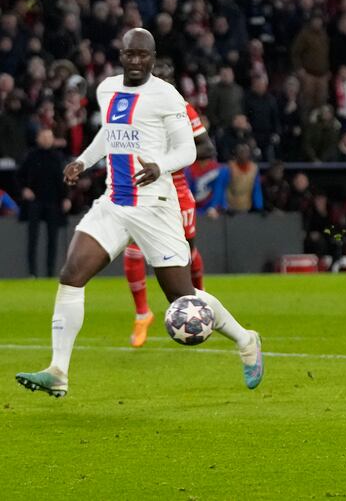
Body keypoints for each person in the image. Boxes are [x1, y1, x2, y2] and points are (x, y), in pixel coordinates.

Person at [15, 28, 264, 398]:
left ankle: (246, 339)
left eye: (143, 56)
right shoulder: (107, 89)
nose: (136, 61)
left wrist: (160, 167)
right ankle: (58, 371)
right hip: (115, 202)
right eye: (130, 55)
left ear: (151, 57)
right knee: (71, 275)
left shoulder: (167, 96)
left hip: (155, 207)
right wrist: (82, 162)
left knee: (183, 296)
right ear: (121, 55)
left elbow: (189, 151)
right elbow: (111, 134)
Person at [124, 59, 213, 347]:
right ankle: (142, 314)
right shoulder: (133, 108)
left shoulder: (181, 109)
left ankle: (199, 304)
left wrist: (171, 155)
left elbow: (207, 148)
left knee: (187, 252)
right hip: (143, 189)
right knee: (133, 249)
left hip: (175, 189)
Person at [18, 129, 71, 277]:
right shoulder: (31, 156)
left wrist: (66, 198)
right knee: (32, 239)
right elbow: (19, 176)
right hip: (35, 201)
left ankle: (50, 273)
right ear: (38, 139)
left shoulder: (58, 157)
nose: (47, 140)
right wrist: (24, 189)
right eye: (44, 137)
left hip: (53, 202)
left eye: (50, 137)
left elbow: (65, 180)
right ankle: (32, 273)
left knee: (53, 239)